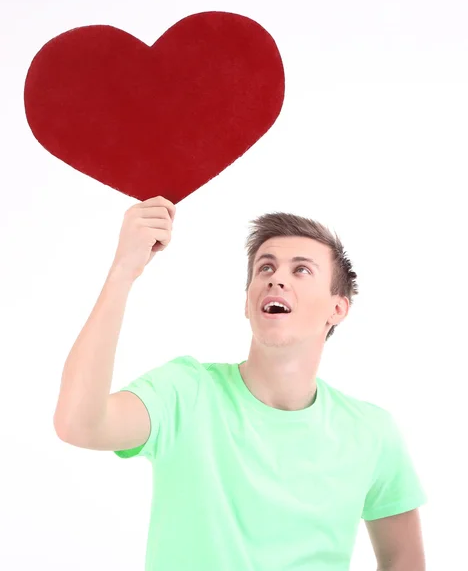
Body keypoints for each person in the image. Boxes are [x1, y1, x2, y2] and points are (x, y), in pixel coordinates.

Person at [54, 195, 427, 571]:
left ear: (337, 308)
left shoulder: (371, 432)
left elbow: (403, 560)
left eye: (301, 270)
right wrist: (124, 270)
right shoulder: (185, 392)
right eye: (265, 268)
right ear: (248, 303)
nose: (276, 278)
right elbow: (78, 423)